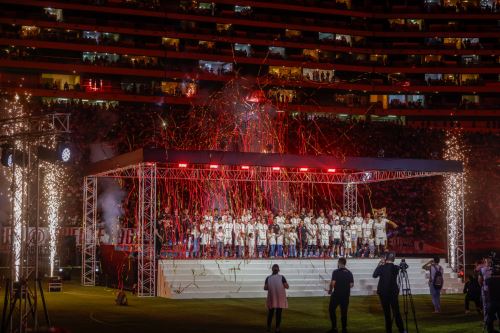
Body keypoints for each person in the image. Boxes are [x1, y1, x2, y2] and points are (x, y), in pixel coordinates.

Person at [372, 252, 405, 333]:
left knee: (387, 313)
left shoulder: (382, 267)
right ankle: (401, 329)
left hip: (383, 292)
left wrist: (380, 264)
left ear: (386, 258)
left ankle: (388, 330)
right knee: (396, 311)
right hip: (393, 292)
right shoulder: (395, 268)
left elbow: (374, 275)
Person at [328, 257, 354, 333]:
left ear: (339, 263)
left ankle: (334, 328)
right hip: (345, 295)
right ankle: (344, 329)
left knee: (331, 310)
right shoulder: (349, 272)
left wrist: (330, 290)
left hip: (336, 295)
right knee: (344, 312)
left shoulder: (335, 272)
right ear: (345, 263)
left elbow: (333, 283)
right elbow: (351, 285)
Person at [264, 264, 289, 333]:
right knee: (278, 314)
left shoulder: (268, 278)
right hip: (279, 298)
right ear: (278, 270)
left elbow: (265, 288)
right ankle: (277, 328)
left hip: (272, 298)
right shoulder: (281, 277)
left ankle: (268, 327)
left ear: (272, 270)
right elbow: (286, 286)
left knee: (270, 314)